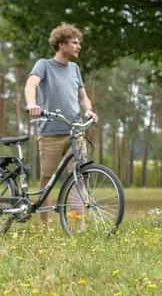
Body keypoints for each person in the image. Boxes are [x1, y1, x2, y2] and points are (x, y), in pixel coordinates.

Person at [24, 23, 98, 227]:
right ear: (61, 44)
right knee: (47, 179)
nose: (78, 46)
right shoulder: (44, 65)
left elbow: (83, 97)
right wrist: (32, 103)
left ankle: (77, 224)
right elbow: (31, 83)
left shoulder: (75, 68)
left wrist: (89, 110)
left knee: (79, 177)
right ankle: (45, 225)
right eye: (75, 42)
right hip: (50, 133)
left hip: (75, 131)